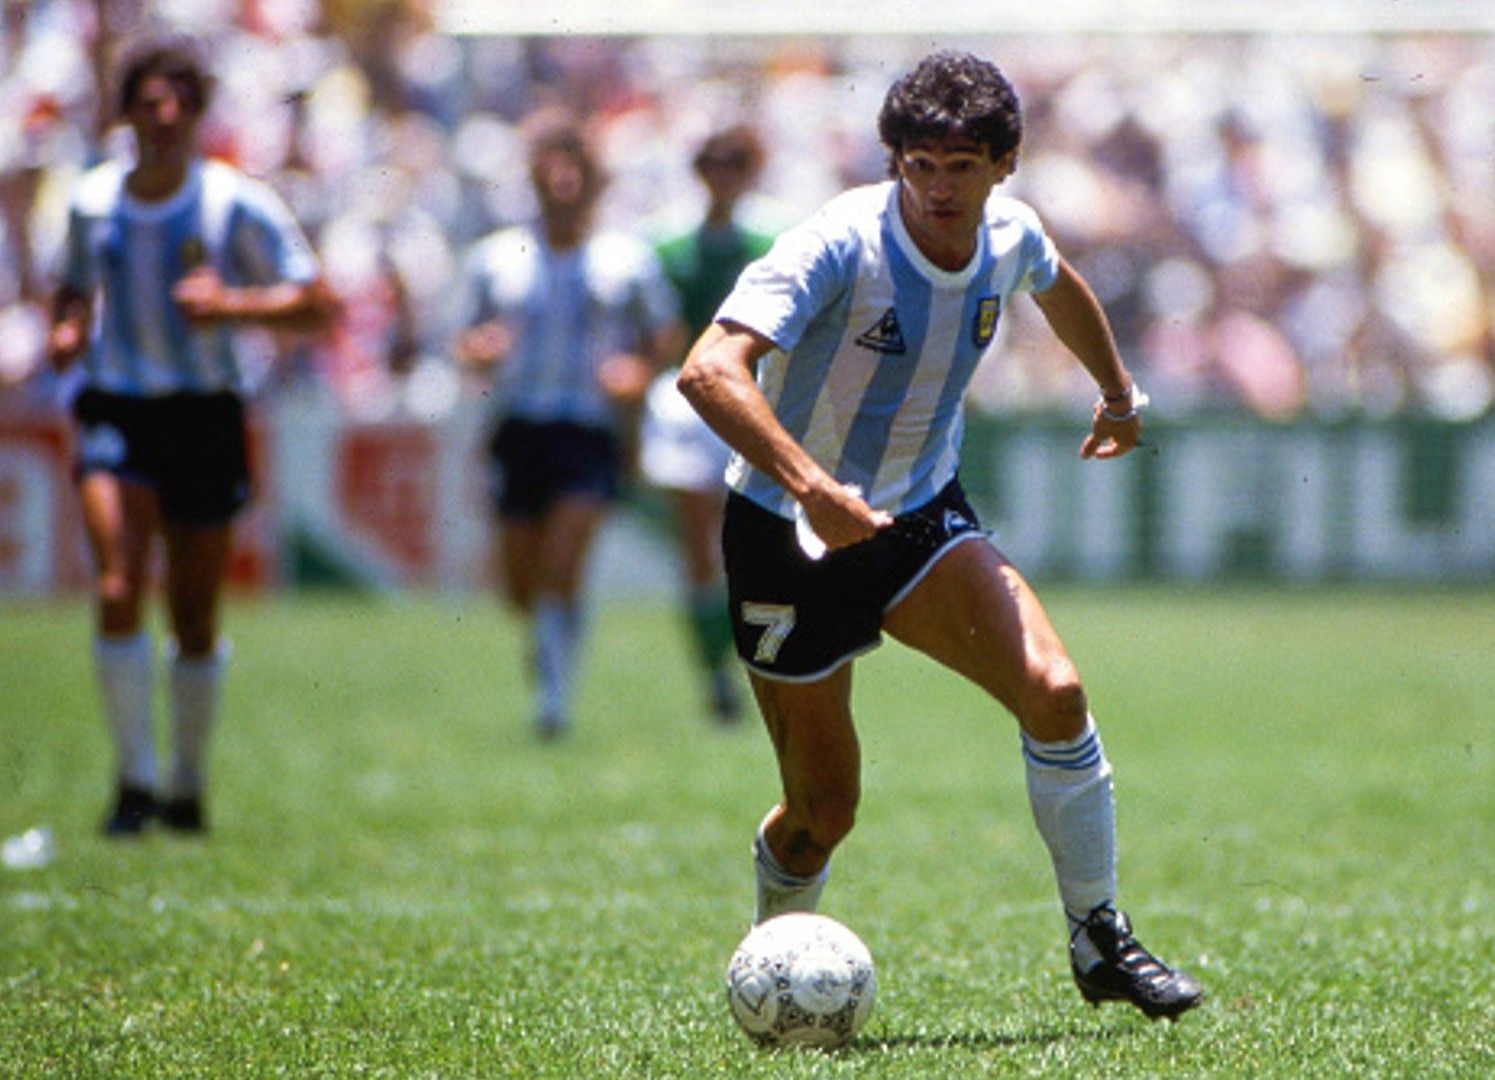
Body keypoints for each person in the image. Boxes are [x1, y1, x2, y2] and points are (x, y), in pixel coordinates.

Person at [678, 51, 1202, 1020]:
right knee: (822, 814)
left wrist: (1120, 394)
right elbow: (708, 371)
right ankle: (773, 964)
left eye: (962, 166)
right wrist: (812, 486)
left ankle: (1100, 941)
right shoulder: (839, 243)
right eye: (920, 164)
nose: (939, 188)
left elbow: (1058, 282)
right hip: (784, 532)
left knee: (1055, 690)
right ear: (894, 163)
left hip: (919, 514)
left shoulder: (1010, 233)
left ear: (1004, 165)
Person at [47, 36, 335, 836]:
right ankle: (133, 781)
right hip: (118, 406)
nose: (163, 114)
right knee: (116, 583)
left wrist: (234, 306)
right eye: (149, 99)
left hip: (205, 413)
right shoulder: (93, 200)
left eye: (178, 99)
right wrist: (67, 331)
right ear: (128, 111)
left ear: (198, 111)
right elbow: (71, 289)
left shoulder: (232, 201)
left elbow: (317, 303)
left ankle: (185, 781)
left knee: (195, 611)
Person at [455, 115, 684, 740]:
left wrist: (637, 369)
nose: (562, 182)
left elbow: (664, 335)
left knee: (564, 558)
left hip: (586, 428)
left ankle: (553, 701)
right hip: (519, 423)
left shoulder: (624, 259)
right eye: (551, 168)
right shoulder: (497, 257)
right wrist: (479, 348)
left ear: (592, 182)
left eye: (574, 171)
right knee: (519, 584)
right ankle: (550, 644)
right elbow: (463, 337)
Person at [644, 127, 776, 725]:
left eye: (733, 164)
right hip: (686, 405)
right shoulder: (669, 248)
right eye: (712, 164)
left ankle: (748, 663)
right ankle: (715, 673)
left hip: (753, 400)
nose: (721, 175)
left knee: (748, 547)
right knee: (698, 550)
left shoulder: (770, 242)